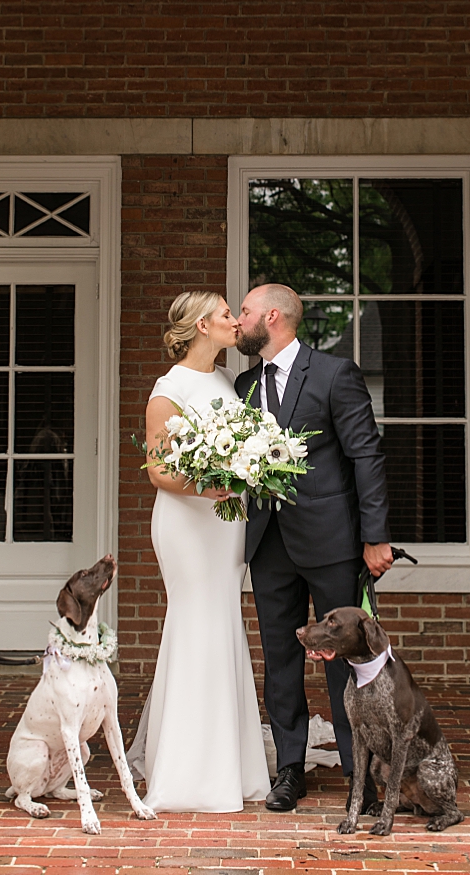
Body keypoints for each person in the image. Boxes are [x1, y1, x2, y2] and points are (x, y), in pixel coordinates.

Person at [233, 283, 393, 813]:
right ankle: (288, 771)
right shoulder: (244, 384)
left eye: (247, 312)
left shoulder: (333, 373)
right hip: (269, 543)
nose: (239, 321)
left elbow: (366, 455)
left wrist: (375, 536)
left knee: (343, 662)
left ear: (273, 317)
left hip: (332, 541)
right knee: (280, 660)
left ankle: (360, 775)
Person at [127, 292, 270, 812]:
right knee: (194, 625)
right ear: (202, 325)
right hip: (188, 524)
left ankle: (231, 765)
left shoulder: (228, 383)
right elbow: (160, 470)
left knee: (224, 623)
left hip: (225, 525)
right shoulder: (169, 390)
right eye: (228, 314)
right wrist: (207, 486)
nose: (237, 321)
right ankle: (186, 771)